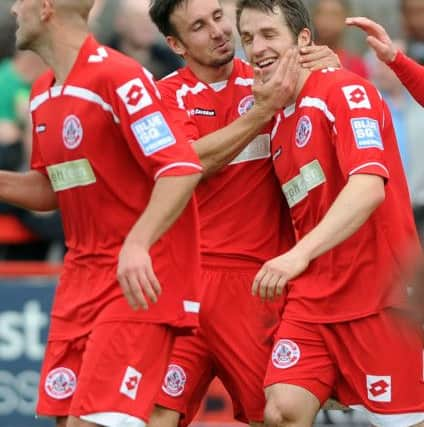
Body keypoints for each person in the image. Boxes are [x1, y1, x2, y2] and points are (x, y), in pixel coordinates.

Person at [8, 0, 204, 426]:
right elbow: (51, 188)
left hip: (134, 284)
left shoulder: (121, 76)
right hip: (80, 283)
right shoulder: (43, 91)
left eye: (20, 2)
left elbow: (180, 168)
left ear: (45, 9)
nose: (12, 11)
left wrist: (138, 242)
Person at [147, 1, 340, 426]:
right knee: (154, 414)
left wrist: (328, 69)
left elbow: (331, 108)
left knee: (275, 416)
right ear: (175, 44)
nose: (218, 32)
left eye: (218, 17)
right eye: (198, 27)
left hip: (257, 284)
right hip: (185, 283)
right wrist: (263, 111)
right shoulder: (165, 95)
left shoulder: (271, 74)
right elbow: (188, 163)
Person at [236, 1, 424, 427]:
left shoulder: (343, 90)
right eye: (247, 38)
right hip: (312, 300)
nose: (256, 47)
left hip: (378, 296)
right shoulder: (276, 120)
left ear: (304, 40)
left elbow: (367, 187)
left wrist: (297, 255)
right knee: (282, 411)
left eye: (268, 34)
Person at [311, 0, 368, 78]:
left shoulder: (356, 66)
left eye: (334, 15)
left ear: (346, 20)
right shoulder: (300, 59)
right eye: (321, 13)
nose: (327, 20)